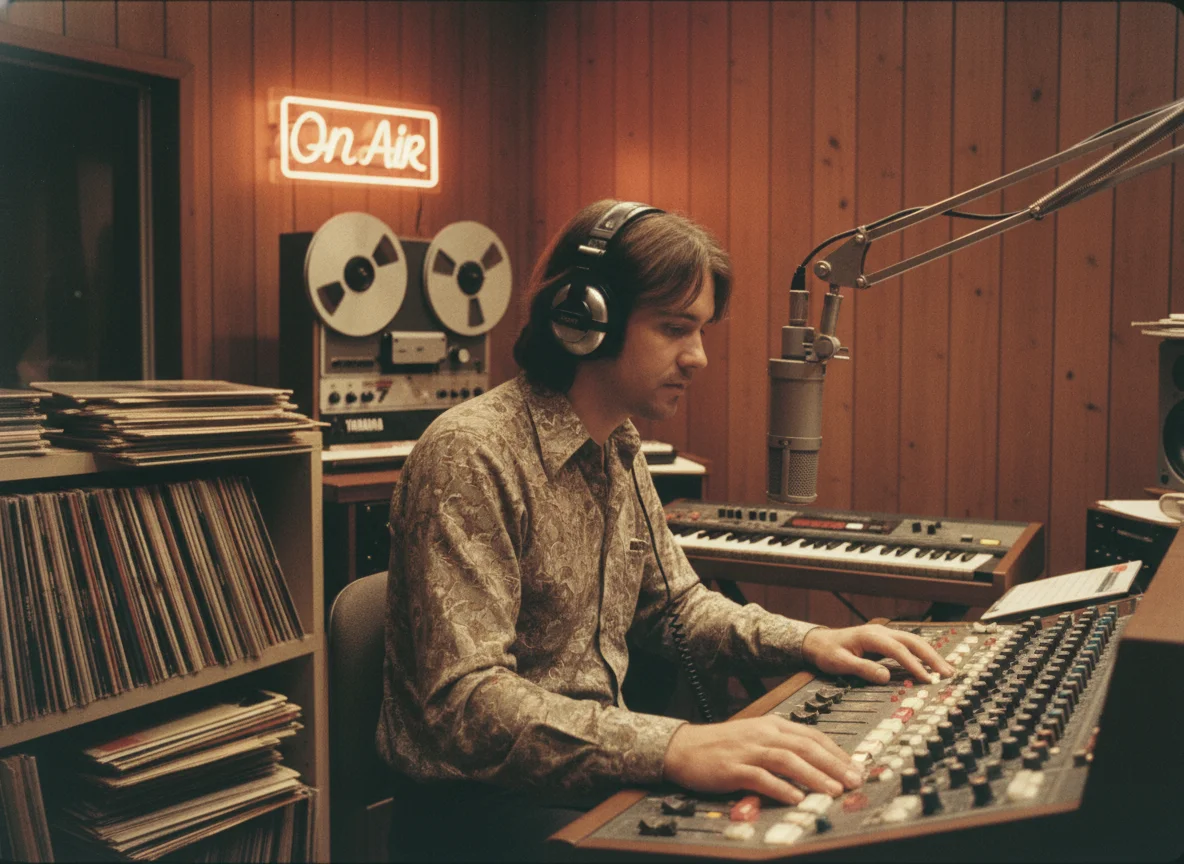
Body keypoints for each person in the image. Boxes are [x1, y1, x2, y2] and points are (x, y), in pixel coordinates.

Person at [376, 199, 955, 862]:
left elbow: (675, 604)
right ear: (584, 319)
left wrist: (812, 641)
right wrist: (674, 745)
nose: (699, 358)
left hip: (592, 782)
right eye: (676, 329)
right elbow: (465, 706)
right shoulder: (470, 453)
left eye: (701, 330)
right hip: (482, 811)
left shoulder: (616, 443)